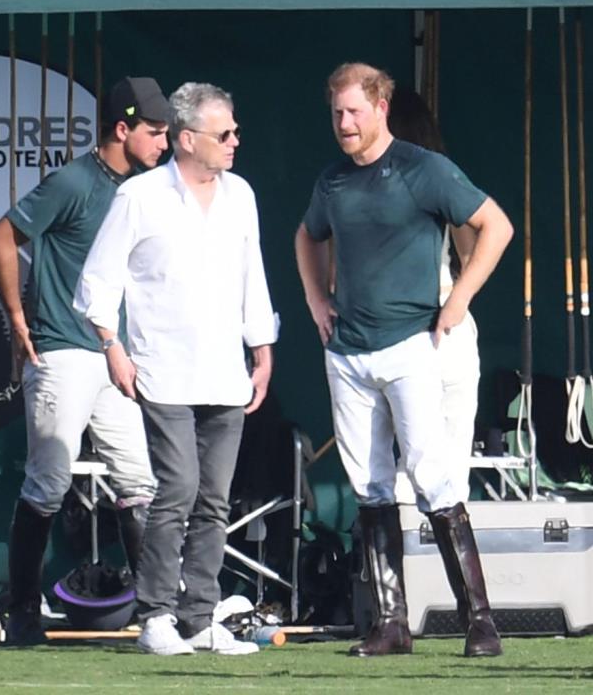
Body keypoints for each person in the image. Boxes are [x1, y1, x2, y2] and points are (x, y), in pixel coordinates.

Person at [295, 63, 513, 658]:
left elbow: (495, 225)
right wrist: (318, 299)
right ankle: (391, 623)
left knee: (433, 478)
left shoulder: (425, 169)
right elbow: (307, 235)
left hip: (412, 345)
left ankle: (480, 621)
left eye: (354, 112)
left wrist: (459, 298)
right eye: (337, 113)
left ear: (381, 108)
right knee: (369, 487)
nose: (344, 123)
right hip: (348, 354)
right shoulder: (333, 181)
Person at [75, 82, 278, 656]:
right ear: (188, 140)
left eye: (235, 130)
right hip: (162, 370)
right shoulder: (140, 197)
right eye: (225, 133)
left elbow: (252, 275)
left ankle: (198, 616)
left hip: (224, 371)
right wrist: (113, 346)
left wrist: (262, 348)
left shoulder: (241, 195)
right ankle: (156, 615)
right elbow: (98, 281)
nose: (236, 141)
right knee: (178, 489)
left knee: (214, 498)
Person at [0, 76, 170, 646]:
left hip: (111, 356)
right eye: (154, 132)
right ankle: (22, 612)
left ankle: (157, 614)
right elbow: (2, 235)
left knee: (139, 481)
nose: (164, 143)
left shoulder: (140, 190)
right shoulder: (74, 180)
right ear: (123, 129)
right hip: (64, 351)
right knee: (47, 481)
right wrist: (18, 322)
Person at [388, 88, 479, 506]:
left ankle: (402, 565)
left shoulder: (361, 181)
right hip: (448, 320)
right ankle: (445, 568)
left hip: (396, 328)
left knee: (405, 468)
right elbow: (470, 253)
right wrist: (457, 301)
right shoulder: (443, 177)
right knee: (449, 464)